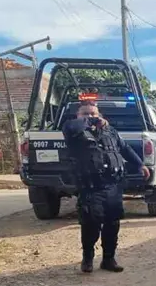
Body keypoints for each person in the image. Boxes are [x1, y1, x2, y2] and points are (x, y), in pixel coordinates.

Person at [63, 100, 150, 273]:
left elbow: (125, 148)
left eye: (94, 113)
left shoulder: (110, 131)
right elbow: (73, 126)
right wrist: (91, 121)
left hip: (113, 185)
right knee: (91, 223)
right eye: (85, 113)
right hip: (90, 187)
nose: (90, 116)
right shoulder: (73, 130)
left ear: (100, 115)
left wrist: (140, 164)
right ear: (78, 116)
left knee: (113, 223)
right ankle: (88, 258)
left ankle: (108, 259)